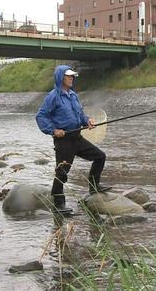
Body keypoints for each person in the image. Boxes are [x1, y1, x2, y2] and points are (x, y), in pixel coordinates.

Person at [36, 65, 112, 214]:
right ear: (60, 78)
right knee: (62, 172)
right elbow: (41, 116)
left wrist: (87, 121)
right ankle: (58, 204)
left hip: (77, 137)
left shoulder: (73, 95)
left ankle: (94, 186)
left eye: (72, 76)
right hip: (63, 140)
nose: (72, 78)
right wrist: (53, 130)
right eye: (68, 76)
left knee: (100, 156)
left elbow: (80, 114)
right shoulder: (53, 96)